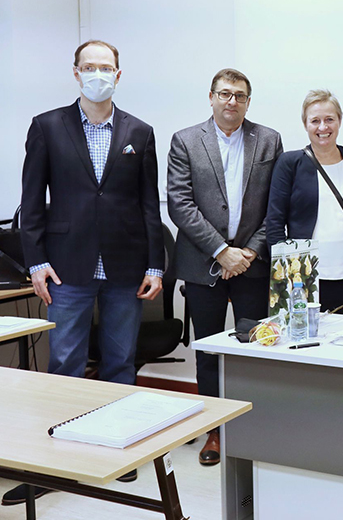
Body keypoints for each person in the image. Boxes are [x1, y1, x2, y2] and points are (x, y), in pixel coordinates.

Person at [9, 39, 164, 505]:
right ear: (76, 73)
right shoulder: (47, 126)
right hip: (66, 267)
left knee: (120, 362)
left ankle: (119, 452)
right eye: (90, 67)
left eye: (106, 67)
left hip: (125, 266)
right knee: (64, 365)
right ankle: (56, 462)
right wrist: (36, 261)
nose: (99, 74)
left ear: (119, 73)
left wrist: (156, 264)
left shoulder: (140, 131)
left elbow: (149, 205)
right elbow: (31, 201)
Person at [167, 68, 282, 466]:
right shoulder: (185, 140)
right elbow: (180, 203)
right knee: (209, 351)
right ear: (211, 97)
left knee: (256, 347)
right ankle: (214, 431)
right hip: (203, 264)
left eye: (240, 95)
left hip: (252, 264)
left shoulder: (268, 139)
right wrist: (221, 251)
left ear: (248, 101)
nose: (232, 101)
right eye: (225, 93)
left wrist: (248, 251)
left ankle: (253, 427)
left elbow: (275, 205)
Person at [266, 90, 343, 315]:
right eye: (315, 121)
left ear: (339, 121)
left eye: (329, 119)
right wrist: (286, 276)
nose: (323, 127)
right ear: (305, 124)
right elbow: (274, 224)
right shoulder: (289, 163)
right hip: (304, 278)